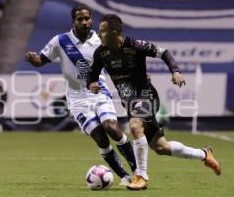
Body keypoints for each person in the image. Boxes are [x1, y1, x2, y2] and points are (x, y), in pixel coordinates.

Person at [87, 14, 221, 190]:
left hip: (146, 96)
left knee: (135, 126)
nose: (99, 34)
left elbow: (163, 52)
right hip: (129, 103)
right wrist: (91, 84)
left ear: (115, 33)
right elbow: (92, 75)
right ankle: (204, 154)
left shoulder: (136, 46)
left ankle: (141, 176)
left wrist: (175, 71)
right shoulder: (101, 52)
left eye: (102, 31)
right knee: (160, 146)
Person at [25, 4, 137, 185]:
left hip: (99, 92)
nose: (85, 22)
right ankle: (124, 176)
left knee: (111, 127)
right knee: (100, 138)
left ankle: (137, 171)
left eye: (87, 18)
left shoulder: (102, 40)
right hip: (77, 99)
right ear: (73, 21)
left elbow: (120, 60)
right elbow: (41, 60)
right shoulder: (60, 41)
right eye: (80, 19)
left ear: (91, 19)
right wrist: (33, 59)